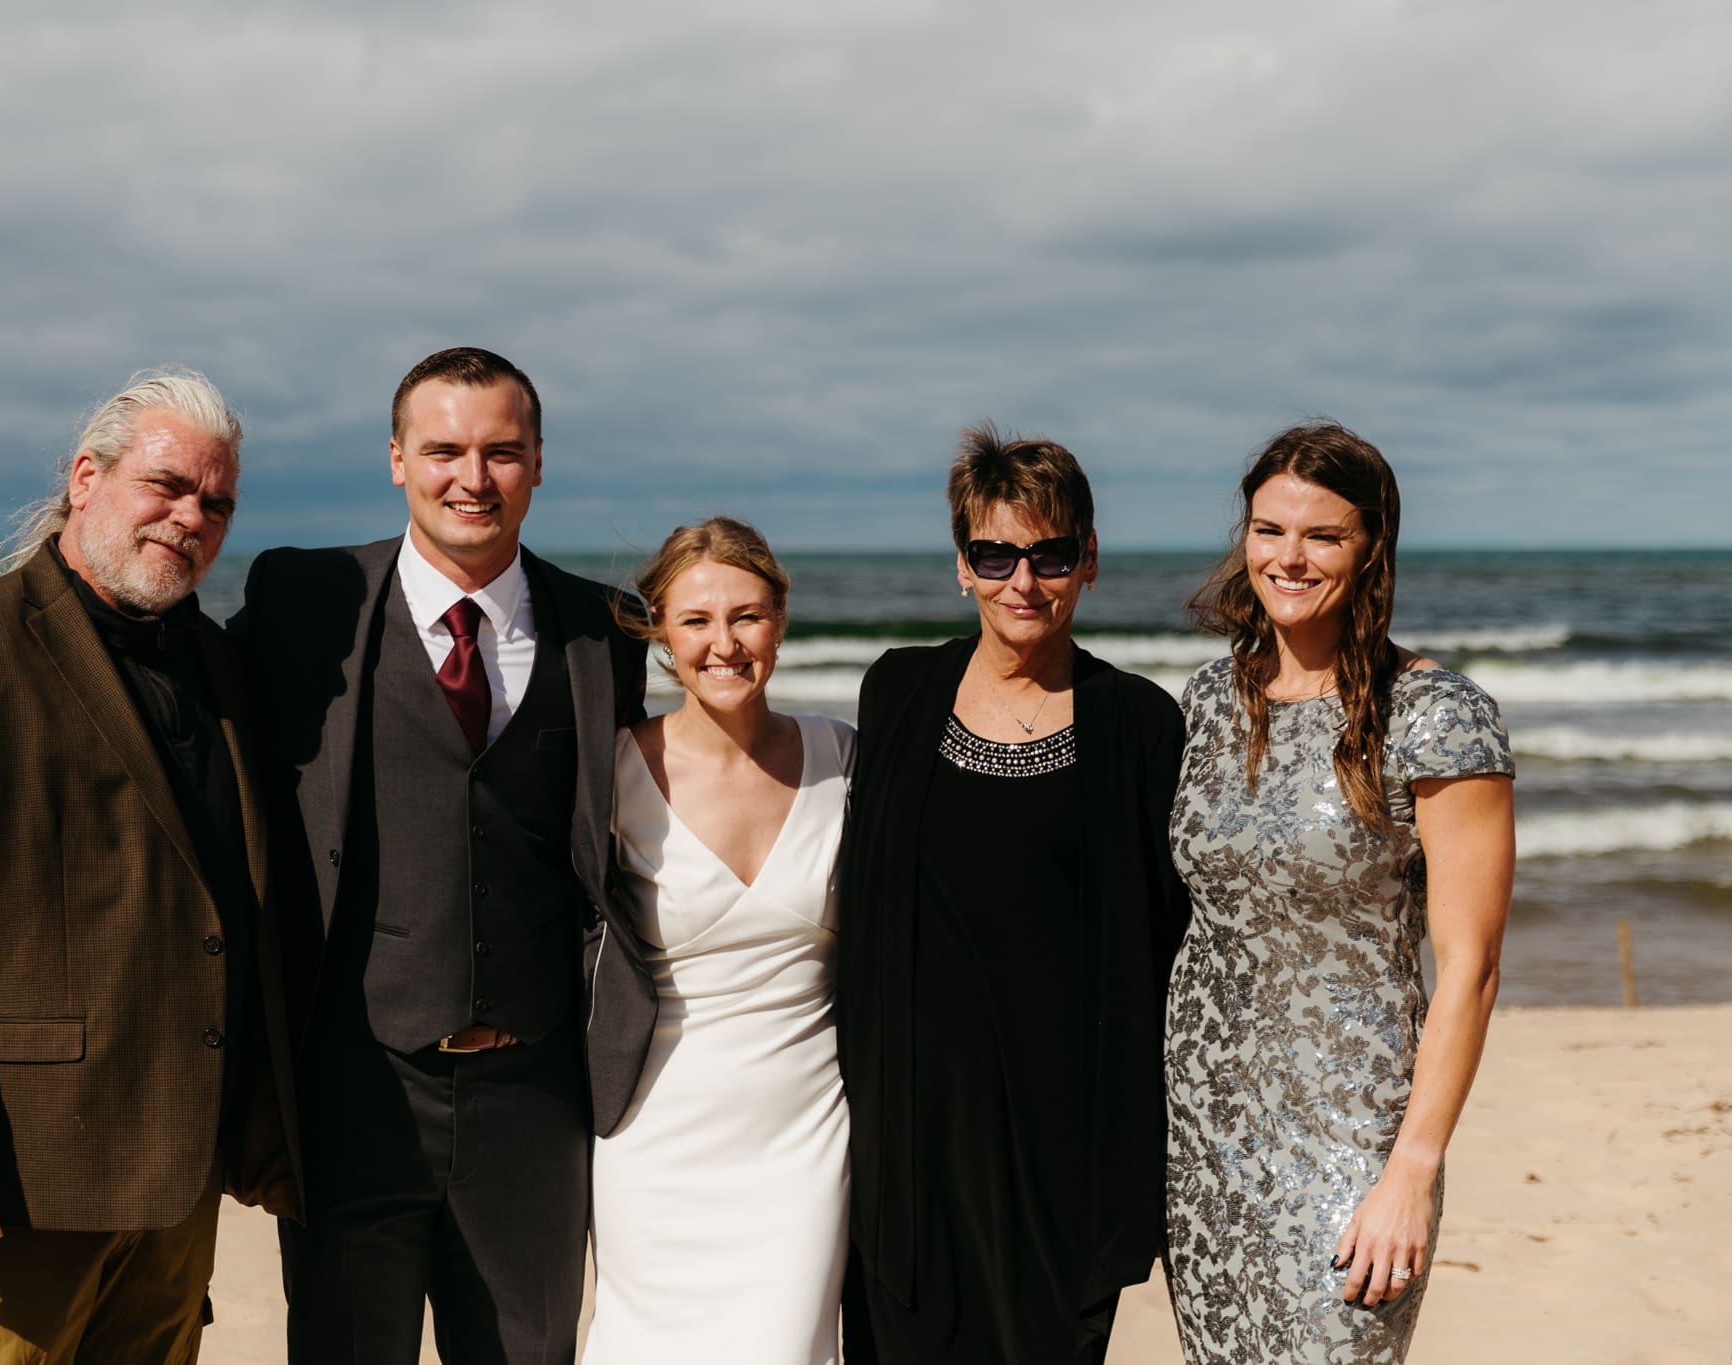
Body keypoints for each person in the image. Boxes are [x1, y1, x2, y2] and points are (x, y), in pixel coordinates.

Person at [0, 367, 300, 1363]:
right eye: (166, 486)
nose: (190, 517)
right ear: (86, 477)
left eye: (215, 503)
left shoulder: (217, 666)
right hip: (20, 1183)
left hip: (180, 1176)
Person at [230, 347, 652, 1365]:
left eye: (501, 452)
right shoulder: (304, 602)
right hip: (354, 1091)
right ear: (395, 459)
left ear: (538, 463)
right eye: (444, 450)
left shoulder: (605, 633)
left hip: (534, 1097)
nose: (472, 477)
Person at [1163, 421, 1516, 1363]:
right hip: (1204, 1134)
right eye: (1268, 528)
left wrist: (1412, 1166)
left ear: (1371, 549)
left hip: (1356, 1138)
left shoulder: (1436, 714)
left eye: (1323, 535)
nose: (1289, 556)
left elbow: (1472, 966)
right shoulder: (1206, 702)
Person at [836, 425, 1190, 1364]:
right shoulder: (899, 690)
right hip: (909, 1138)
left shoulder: (1139, 725)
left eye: (1050, 554)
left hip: (1062, 1147)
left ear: (1089, 562)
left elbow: (1168, 939)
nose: (1022, 581)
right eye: (994, 553)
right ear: (962, 565)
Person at [582, 518, 857, 1365]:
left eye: (747, 615)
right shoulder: (616, 772)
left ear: (780, 618)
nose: (724, 643)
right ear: (661, 629)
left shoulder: (844, 758)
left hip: (803, 1137)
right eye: (696, 619)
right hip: (656, 1136)